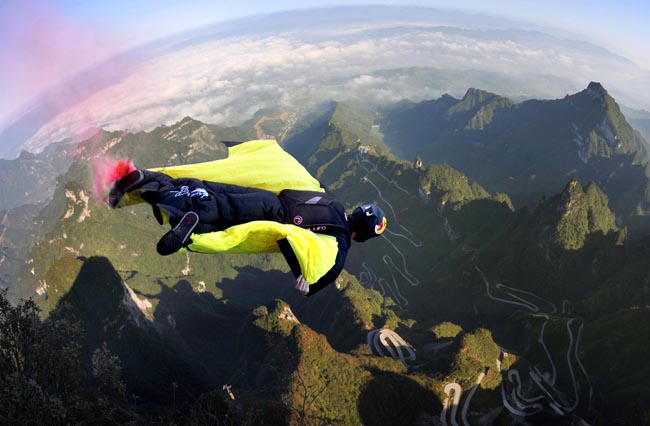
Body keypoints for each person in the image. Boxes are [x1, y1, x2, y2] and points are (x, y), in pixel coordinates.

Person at [106, 139, 387, 296]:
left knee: (207, 188)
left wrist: (264, 148)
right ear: (362, 235)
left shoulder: (332, 200)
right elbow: (328, 268)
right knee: (220, 214)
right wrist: (309, 282)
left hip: (266, 197)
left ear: (356, 212)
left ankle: (146, 180)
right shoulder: (340, 242)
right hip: (271, 215)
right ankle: (188, 226)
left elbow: (302, 176)